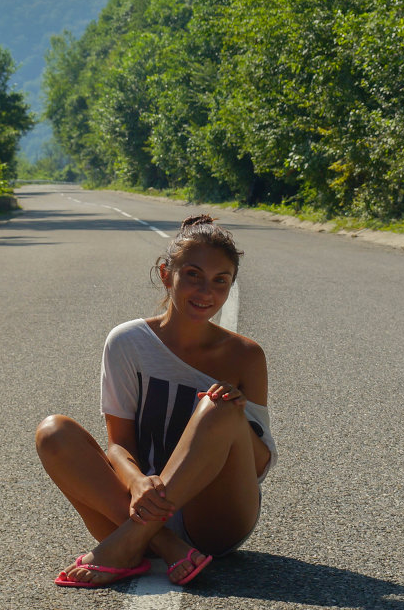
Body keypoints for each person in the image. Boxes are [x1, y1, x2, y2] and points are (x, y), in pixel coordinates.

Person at [35, 215, 277, 587]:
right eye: (192, 275)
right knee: (53, 432)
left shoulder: (246, 355)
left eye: (220, 281)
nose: (205, 292)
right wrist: (137, 483)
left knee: (219, 406)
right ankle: (164, 543)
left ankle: (128, 544)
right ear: (166, 273)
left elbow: (258, 466)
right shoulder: (128, 342)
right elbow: (118, 446)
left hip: (216, 518)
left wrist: (236, 415)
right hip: (136, 503)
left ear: (231, 285)